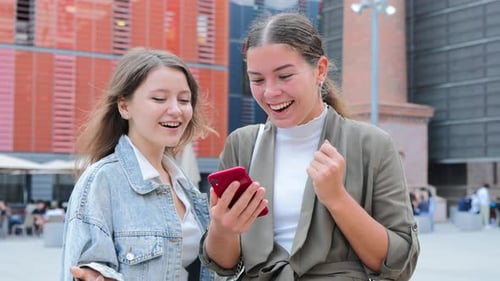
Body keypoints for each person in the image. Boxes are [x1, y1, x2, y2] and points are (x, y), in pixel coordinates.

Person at [200, 13, 419, 280]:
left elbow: (399, 262)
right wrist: (223, 228)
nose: (270, 92)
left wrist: (336, 198)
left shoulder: (371, 144)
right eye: (257, 80)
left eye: (284, 76)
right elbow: (223, 263)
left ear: (321, 70)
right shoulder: (242, 144)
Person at [61, 47, 216, 281]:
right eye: (159, 99)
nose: (176, 110)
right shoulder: (102, 181)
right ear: (124, 106)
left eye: (184, 100)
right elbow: (84, 269)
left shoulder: (187, 188)